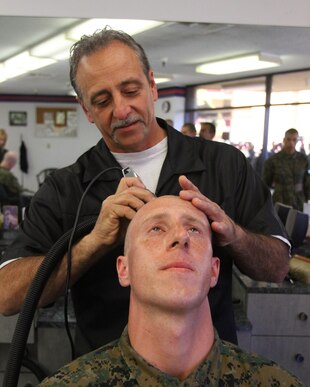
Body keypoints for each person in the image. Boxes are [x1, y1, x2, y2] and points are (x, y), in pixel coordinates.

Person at [0, 28, 289, 355]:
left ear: (152, 85)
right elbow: (7, 295)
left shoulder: (224, 165)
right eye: (103, 100)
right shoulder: (66, 188)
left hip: (211, 381)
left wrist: (232, 234)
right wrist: (93, 243)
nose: (121, 110)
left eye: (130, 90)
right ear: (86, 110)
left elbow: (277, 267)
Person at [0, 195, 309, 387]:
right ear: (124, 269)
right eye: (157, 228)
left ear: (214, 271)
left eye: (194, 229)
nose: (180, 238)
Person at [263, 128, 310, 211]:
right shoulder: (273, 160)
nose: (291, 143)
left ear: (297, 141)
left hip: (298, 202)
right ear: (284, 140)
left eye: (294, 140)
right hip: (279, 202)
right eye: (288, 139)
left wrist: (307, 199)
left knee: (297, 223)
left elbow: (307, 182)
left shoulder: (303, 160)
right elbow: (265, 183)